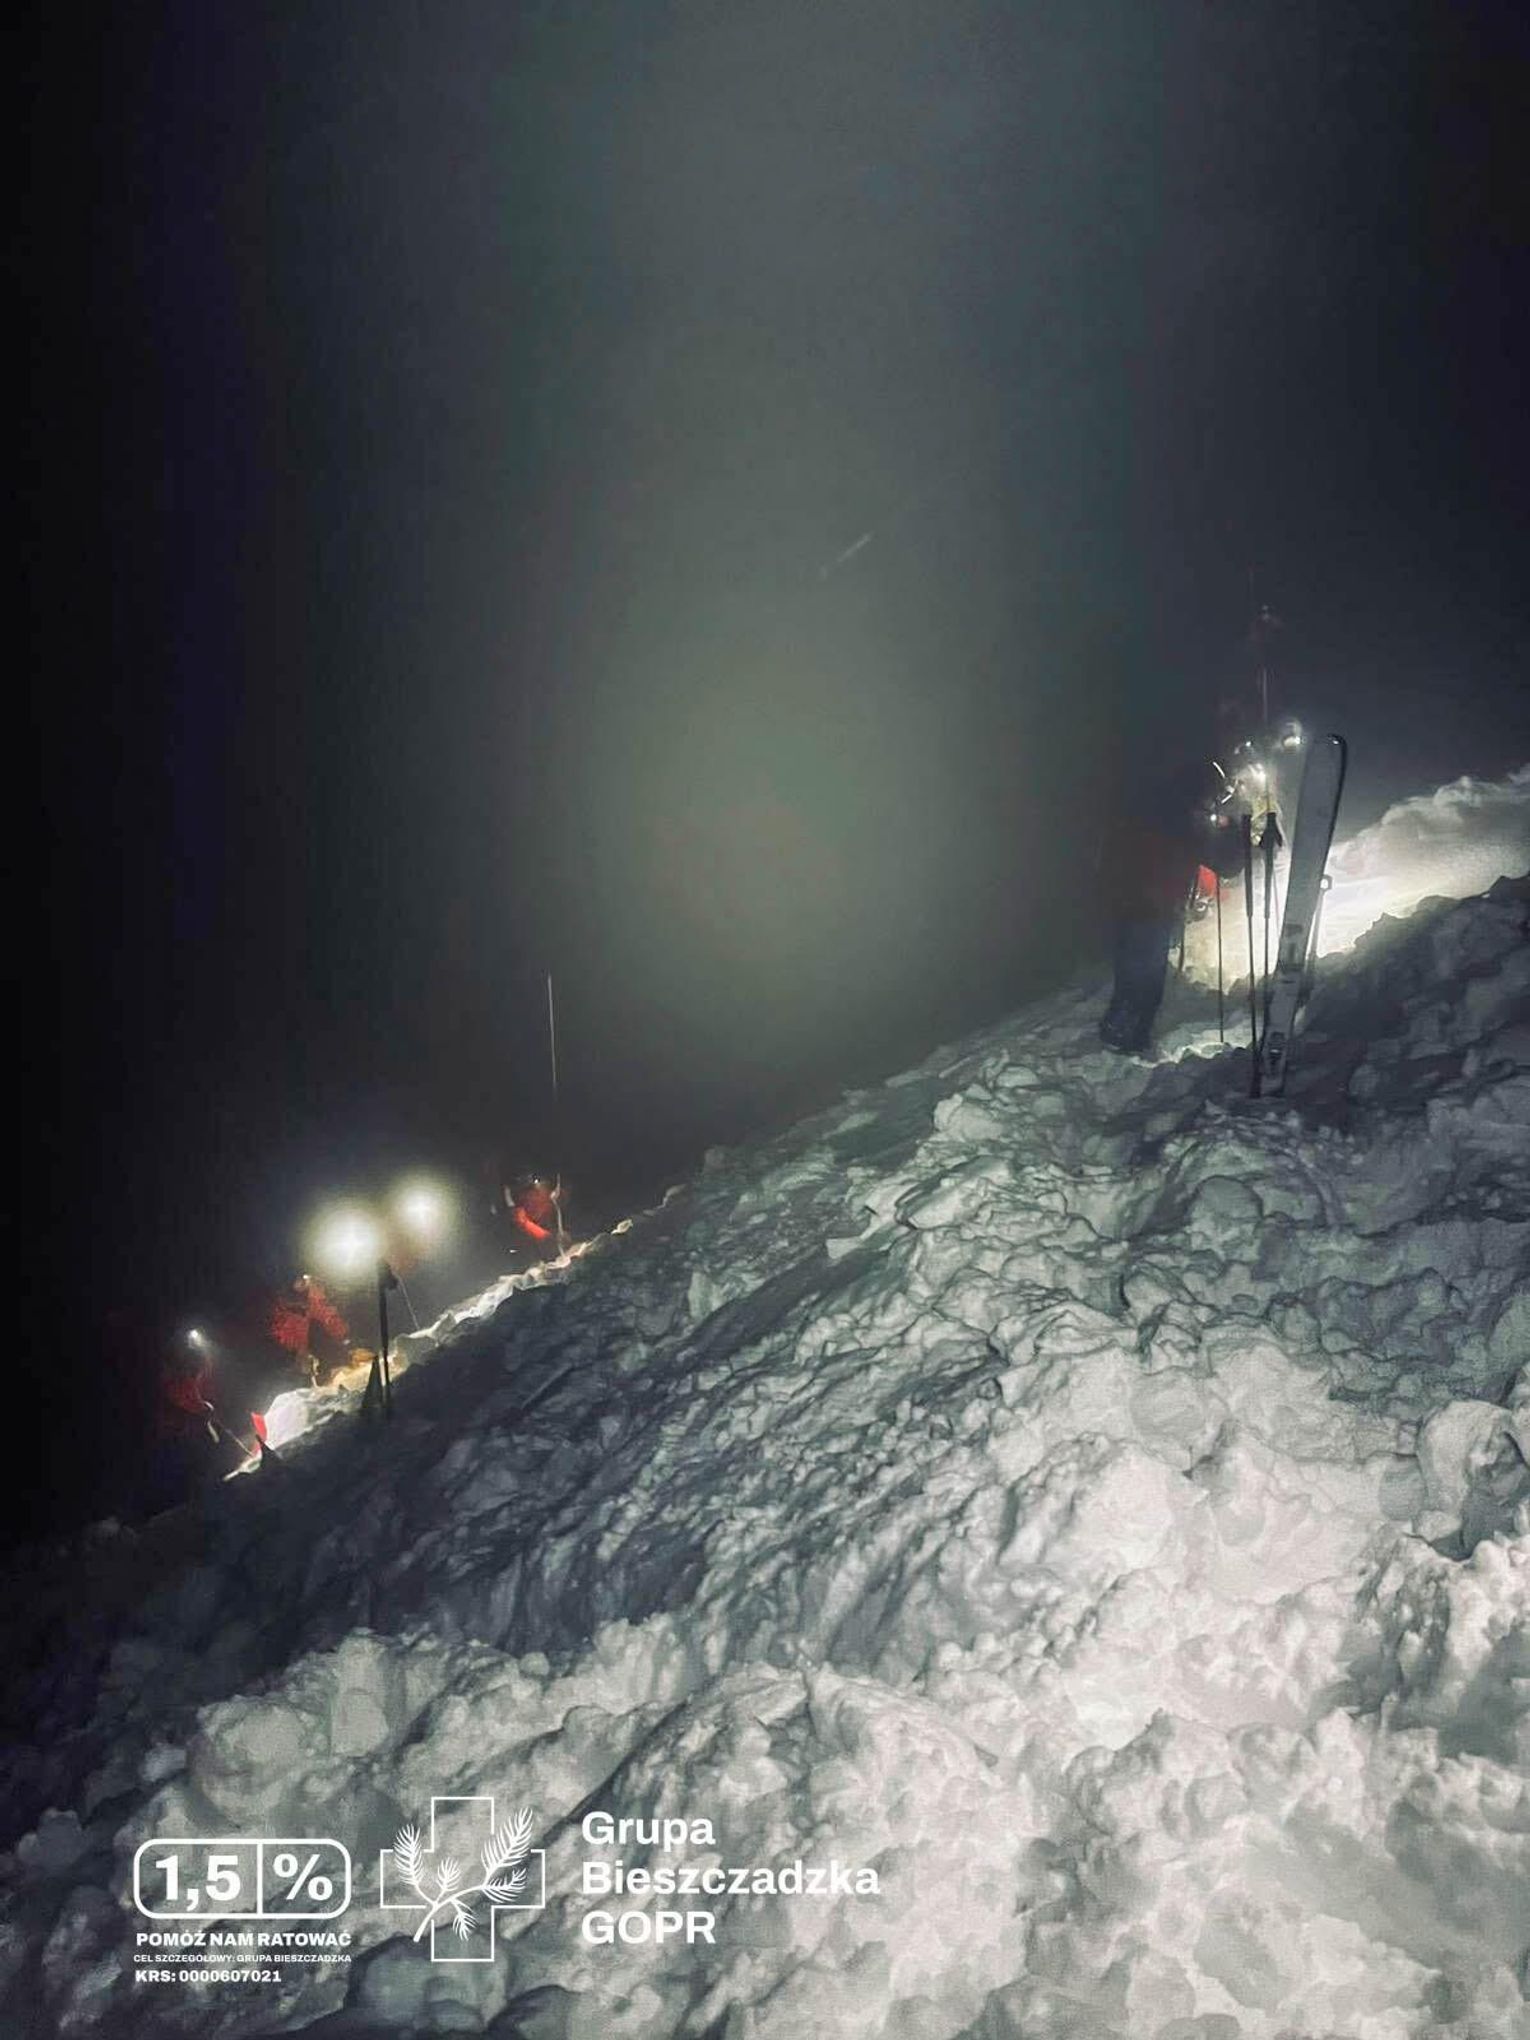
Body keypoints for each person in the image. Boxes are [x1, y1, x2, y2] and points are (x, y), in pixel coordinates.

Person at [1098, 751, 1242, 1054]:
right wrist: (1233, 832)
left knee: (1129, 968)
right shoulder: (1188, 820)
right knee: (1148, 975)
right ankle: (1134, 1035)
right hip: (1154, 907)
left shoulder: (1150, 807)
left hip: (1124, 900)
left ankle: (1117, 1026)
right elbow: (1226, 864)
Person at [267, 1273, 352, 1386]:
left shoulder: (316, 1294)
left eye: (304, 1279)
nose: (303, 1282)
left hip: (330, 1359)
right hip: (295, 1363)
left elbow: (328, 1317)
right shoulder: (282, 1308)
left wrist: (343, 1337)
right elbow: (282, 1334)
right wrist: (300, 1353)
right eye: (299, 1280)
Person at [503, 1172, 567, 1258]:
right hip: (532, 1249)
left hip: (554, 1234)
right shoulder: (517, 1204)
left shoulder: (545, 1189)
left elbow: (558, 1200)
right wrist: (546, 1237)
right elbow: (520, 1221)